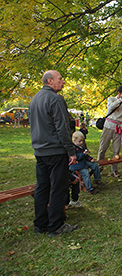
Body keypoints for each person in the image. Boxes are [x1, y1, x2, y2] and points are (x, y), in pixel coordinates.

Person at [29, 70, 79, 237]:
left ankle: (40, 224)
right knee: (58, 187)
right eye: (60, 79)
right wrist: (71, 152)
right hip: (55, 150)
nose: (63, 82)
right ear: (50, 81)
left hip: (40, 150)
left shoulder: (34, 99)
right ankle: (55, 225)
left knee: (42, 187)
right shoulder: (55, 99)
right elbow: (62, 128)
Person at [97, 85, 122, 177]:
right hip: (108, 126)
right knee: (103, 148)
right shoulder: (111, 99)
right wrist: (120, 99)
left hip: (118, 127)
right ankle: (98, 167)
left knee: (116, 150)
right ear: (119, 93)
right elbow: (110, 108)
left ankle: (114, 170)